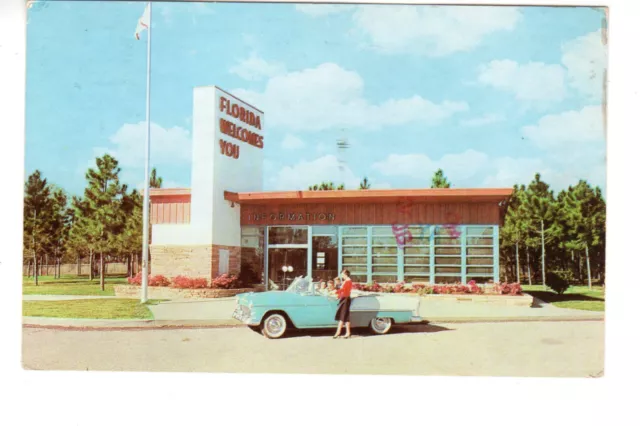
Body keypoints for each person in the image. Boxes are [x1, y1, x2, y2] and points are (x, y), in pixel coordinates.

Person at [333, 269, 353, 339]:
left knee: (342, 316)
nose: (341, 275)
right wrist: (338, 296)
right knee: (345, 317)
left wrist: (335, 292)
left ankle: (338, 332)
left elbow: (344, 291)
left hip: (345, 299)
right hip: (344, 299)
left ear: (345, 274)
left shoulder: (348, 281)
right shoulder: (346, 281)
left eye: (342, 274)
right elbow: (343, 292)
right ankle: (348, 332)